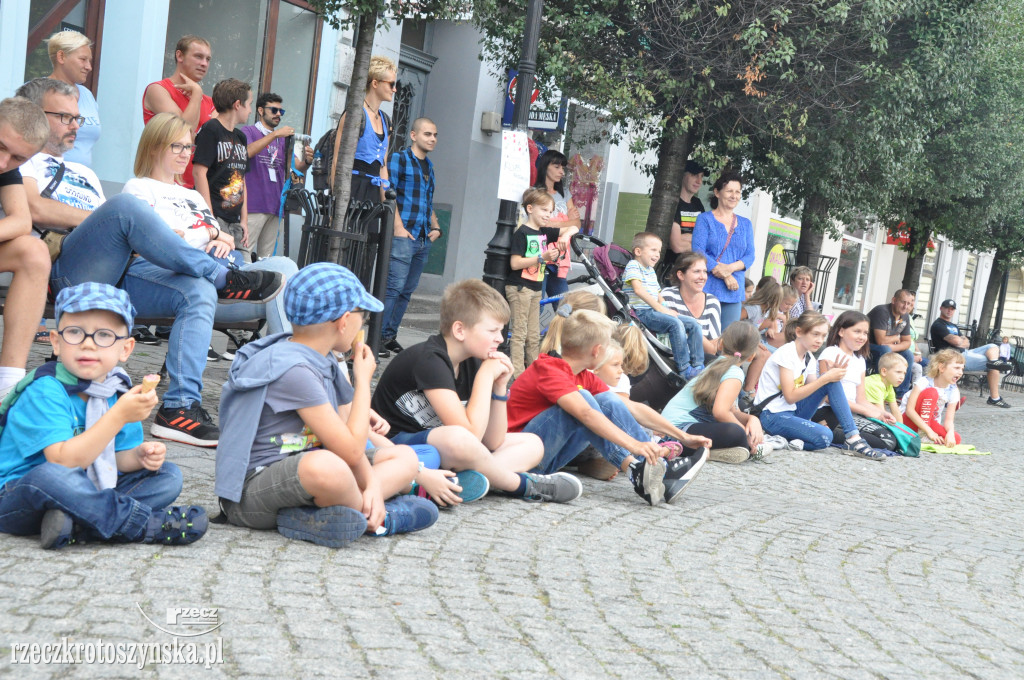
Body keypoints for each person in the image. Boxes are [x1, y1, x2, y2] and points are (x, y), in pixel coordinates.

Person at [16, 77, 283, 447]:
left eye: (77, 117)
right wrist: (103, 218)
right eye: (65, 116)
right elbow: (36, 209)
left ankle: (179, 407)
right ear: (35, 116)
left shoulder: (86, 174)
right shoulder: (24, 164)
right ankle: (223, 278)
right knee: (126, 209)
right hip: (70, 271)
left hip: (120, 271)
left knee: (202, 290)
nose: (76, 124)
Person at [215, 263, 437, 546]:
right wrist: (363, 381)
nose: (364, 324)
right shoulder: (295, 369)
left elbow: (349, 438)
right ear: (344, 321)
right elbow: (352, 449)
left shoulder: (323, 357)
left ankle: (321, 515)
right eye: (363, 316)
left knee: (404, 458)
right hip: (250, 496)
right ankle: (381, 519)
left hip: (308, 474)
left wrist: (369, 483)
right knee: (327, 466)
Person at [0, 283, 208, 549]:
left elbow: (114, 459)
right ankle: (142, 524)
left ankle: (77, 525)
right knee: (50, 476)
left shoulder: (117, 390)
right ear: (56, 342)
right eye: (75, 332)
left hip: (84, 486)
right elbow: (62, 462)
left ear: (126, 348)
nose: (88, 344)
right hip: (19, 495)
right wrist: (118, 417)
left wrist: (139, 457)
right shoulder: (46, 389)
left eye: (104, 335)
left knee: (168, 476)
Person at [371, 279, 579, 503]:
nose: (500, 338)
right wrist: (485, 377)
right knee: (457, 438)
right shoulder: (429, 359)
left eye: (501, 330)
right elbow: (468, 436)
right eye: (493, 330)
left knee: (532, 443)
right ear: (460, 330)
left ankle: (464, 482)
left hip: (452, 451)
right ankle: (521, 485)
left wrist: (499, 388)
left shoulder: (473, 359)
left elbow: (492, 442)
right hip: (399, 448)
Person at [507, 307, 710, 505]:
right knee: (585, 400)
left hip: (544, 455)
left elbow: (630, 407)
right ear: (597, 351)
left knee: (606, 401)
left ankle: (656, 470)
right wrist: (635, 445)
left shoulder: (581, 374)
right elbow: (587, 414)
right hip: (519, 461)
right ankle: (654, 468)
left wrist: (683, 436)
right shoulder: (549, 369)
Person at [122, 112, 297, 335]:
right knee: (278, 290)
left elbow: (225, 240)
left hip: (230, 278)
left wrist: (220, 239)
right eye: (177, 146)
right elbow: (162, 240)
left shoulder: (193, 196)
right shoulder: (138, 188)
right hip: (185, 283)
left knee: (285, 268)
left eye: (189, 147)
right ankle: (283, 359)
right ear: (154, 147)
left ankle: (283, 358)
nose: (185, 154)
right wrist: (212, 235)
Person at [755, 312, 886, 460]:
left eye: (823, 336)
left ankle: (853, 439)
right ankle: (782, 440)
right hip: (771, 415)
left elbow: (815, 391)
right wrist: (824, 379)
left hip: (792, 412)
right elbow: (790, 396)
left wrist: (829, 377)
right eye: (815, 334)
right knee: (825, 437)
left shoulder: (809, 357)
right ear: (799, 332)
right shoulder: (786, 353)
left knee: (831, 381)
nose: (820, 340)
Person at [662, 321, 777, 463]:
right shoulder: (734, 372)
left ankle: (708, 451)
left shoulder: (718, 364)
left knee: (737, 431)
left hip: (674, 429)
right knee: (736, 433)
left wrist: (751, 419)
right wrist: (746, 435)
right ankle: (720, 450)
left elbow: (732, 411)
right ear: (752, 356)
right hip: (679, 431)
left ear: (721, 344)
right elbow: (720, 412)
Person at [0, 97, 53, 399]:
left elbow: (21, 221)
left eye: (18, 158)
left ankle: (8, 385)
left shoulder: (7, 167)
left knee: (34, 251)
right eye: (1, 147)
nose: (3, 163)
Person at [379, 117, 442, 358]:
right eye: (427, 134)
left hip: (422, 237)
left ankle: (388, 336)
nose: (432, 139)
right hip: (403, 234)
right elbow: (388, 193)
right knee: (393, 287)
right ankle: (377, 337)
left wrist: (435, 227)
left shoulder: (430, 167)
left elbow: (427, 201)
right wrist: (398, 227)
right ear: (413, 136)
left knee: (406, 291)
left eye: (435, 135)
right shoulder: (400, 159)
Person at [240, 92, 312, 259]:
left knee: (267, 258)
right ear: (260, 110)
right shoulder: (248, 131)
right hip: (254, 204)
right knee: (245, 252)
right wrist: (274, 134)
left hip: (275, 204)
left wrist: (307, 161)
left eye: (281, 111)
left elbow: (293, 168)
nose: (278, 114)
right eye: (274, 110)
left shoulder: (282, 139)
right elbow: (247, 152)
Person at [623, 232, 704, 380]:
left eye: (659, 251)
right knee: (675, 324)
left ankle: (698, 365)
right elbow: (638, 290)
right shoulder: (633, 266)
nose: (657, 255)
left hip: (655, 310)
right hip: (642, 312)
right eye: (653, 250)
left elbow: (658, 294)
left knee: (693, 324)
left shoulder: (650, 271)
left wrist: (665, 307)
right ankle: (684, 368)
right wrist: (661, 309)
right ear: (638, 251)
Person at [815, 311, 899, 451]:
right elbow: (830, 397)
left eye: (865, 333)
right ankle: (825, 432)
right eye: (857, 331)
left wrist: (880, 412)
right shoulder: (830, 353)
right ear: (841, 331)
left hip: (850, 412)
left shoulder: (860, 360)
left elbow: (860, 399)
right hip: (828, 411)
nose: (862, 337)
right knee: (886, 440)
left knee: (890, 436)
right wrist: (869, 413)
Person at [142, 35, 215, 189]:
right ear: (180, 55)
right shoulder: (158, 89)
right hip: (163, 183)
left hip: (197, 186)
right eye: (198, 57)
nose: (204, 64)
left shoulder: (209, 102)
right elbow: (183, 130)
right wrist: (196, 94)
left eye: (208, 59)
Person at [193, 79, 252, 260]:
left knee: (244, 266)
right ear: (237, 105)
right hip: (216, 216)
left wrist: (244, 220)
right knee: (221, 265)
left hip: (235, 221)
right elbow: (198, 172)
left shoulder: (241, 137)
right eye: (249, 104)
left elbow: (241, 179)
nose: (250, 110)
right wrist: (209, 217)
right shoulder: (211, 129)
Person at [506, 188, 561, 377]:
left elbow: (571, 228)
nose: (548, 215)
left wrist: (566, 238)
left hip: (536, 288)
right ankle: (518, 376)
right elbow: (515, 263)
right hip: (521, 288)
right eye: (544, 210)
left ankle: (533, 374)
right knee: (520, 334)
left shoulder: (544, 232)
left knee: (533, 335)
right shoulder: (521, 233)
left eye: (550, 211)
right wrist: (541, 257)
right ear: (530, 208)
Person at [328, 55, 395, 204]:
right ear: (375, 83)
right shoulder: (354, 115)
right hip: (351, 189)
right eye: (391, 84)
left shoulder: (386, 121)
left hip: (373, 194)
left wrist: (386, 206)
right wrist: (335, 202)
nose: (394, 89)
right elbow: (337, 161)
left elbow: (382, 167)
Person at [691, 171, 755, 328]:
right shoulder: (704, 219)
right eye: (729, 191)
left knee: (728, 341)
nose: (734, 196)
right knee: (703, 335)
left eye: (738, 192)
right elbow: (698, 250)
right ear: (717, 192)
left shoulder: (745, 224)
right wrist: (725, 275)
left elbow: (750, 255)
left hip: (734, 290)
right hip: (707, 286)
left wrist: (730, 269)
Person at [930, 299, 1012, 408]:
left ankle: (993, 362)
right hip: (954, 357)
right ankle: (995, 398)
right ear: (941, 308)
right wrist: (960, 340)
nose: (949, 311)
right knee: (994, 365)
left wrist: (960, 340)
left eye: (952, 309)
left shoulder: (953, 326)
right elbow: (956, 341)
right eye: (947, 308)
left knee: (993, 346)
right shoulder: (938, 325)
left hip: (966, 352)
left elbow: (967, 342)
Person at [533, 150, 581, 306]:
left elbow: (577, 225)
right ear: (546, 166)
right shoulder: (534, 193)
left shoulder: (564, 193)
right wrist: (568, 221)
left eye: (563, 168)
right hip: (540, 255)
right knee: (536, 307)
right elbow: (540, 225)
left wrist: (555, 223)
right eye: (557, 167)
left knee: (564, 307)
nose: (562, 172)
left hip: (560, 258)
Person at [44, 30, 99, 167]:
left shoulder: (87, 95)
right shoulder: (37, 91)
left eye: (89, 61)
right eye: (83, 59)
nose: (89, 67)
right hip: (47, 176)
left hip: (82, 180)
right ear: (61, 57)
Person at [660, 252, 723, 359]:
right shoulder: (667, 295)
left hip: (701, 361)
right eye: (696, 271)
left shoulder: (712, 302)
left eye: (705, 271)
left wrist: (690, 327)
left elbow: (712, 350)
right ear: (680, 275)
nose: (702, 277)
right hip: (671, 359)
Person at [901, 348, 964, 445]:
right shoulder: (924, 382)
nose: (960, 372)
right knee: (932, 392)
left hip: (930, 423)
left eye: (962, 369)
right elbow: (909, 411)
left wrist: (950, 433)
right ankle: (922, 434)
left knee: (956, 439)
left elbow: (949, 420)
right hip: (909, 420)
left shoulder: (953, 390)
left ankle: (920, 436)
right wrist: (928, 431)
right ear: (942, 368)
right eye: (956, 368)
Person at [867, 289, 916, 398]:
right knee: (885, 350)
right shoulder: (882, 311)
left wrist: (892, 346)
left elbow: (907, 342)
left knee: (907, 354)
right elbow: (881, 341)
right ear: (894, 300)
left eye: (908, 304)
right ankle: (877, 389)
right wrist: (897, 337)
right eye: (903, 302)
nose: (905, 306)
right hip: (866, 347)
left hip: (886, 348)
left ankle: (899, 393)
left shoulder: (905, 316)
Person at [662, 160, 706, 279]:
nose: (699, 181)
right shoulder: (674, 204)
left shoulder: (697, 204)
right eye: (694, 175)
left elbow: (707, 240)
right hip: (675, 271)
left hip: (695, 269)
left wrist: (685, 237)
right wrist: (698, 241)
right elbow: (677, 246)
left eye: (701, 176)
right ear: (683, 175)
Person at [865, 352, 907, 423]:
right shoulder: (876, 385)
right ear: (884, 371)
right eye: (898, 372)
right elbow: (881, 416)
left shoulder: (889, 385)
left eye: (904, 373)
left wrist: (902, 429)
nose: (902, 377)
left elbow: (896, 411)